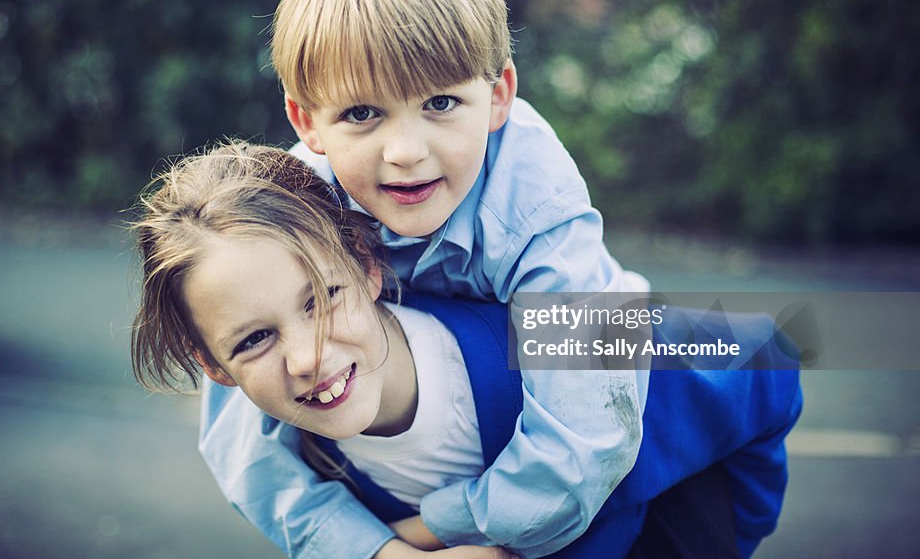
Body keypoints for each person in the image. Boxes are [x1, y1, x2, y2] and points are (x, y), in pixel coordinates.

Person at [202, 0, 655, 559]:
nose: (405, 152)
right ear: (308, 124)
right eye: (362, 113)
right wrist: (373, 551)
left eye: (440, 102)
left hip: (669, 434)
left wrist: (443, 527)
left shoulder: (538, 197)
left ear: (499, 95)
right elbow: (241, 441)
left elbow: (590, 437)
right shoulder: (293, 209)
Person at [130, 141, 802, 559]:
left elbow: (763, 356)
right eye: (255, 338)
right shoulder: (300, 464)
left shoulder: (558, 340)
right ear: (214, 367)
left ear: (365, 264)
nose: (306, 356)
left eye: (320, 298)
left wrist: (715, 538)